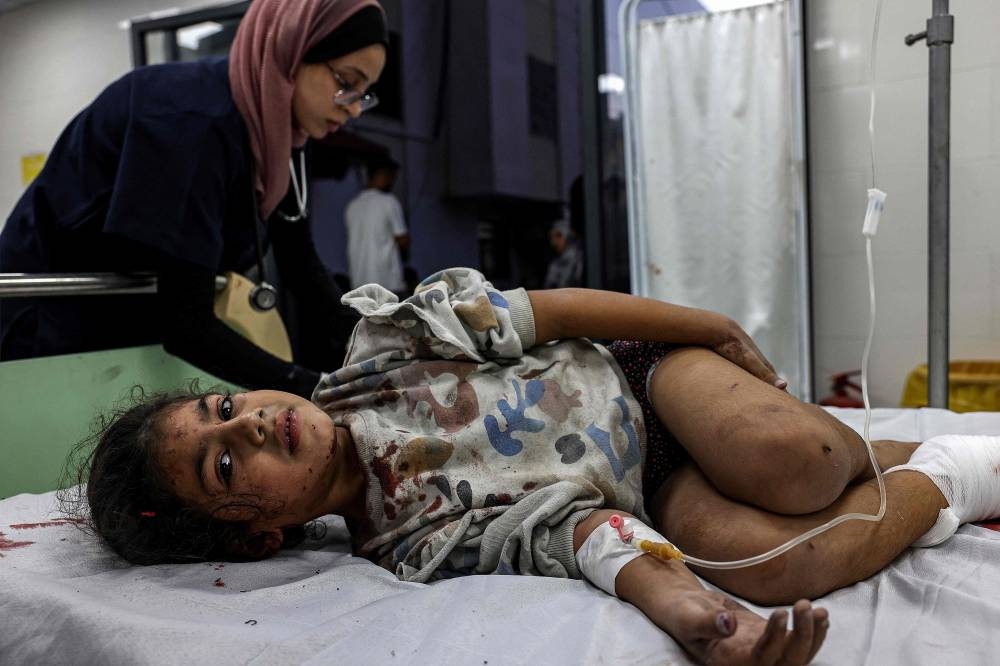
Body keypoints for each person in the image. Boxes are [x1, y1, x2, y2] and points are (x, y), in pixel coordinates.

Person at [71, 267, 1000, 664]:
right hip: (651, 491)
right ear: (262, 534)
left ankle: (862, 452)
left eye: (224, 409)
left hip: (644, 385)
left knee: (792, 461)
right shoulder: (410, 547)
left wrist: (708, 329)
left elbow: (552, 311)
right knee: (776, 564)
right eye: (225, 467)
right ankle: (957, 470)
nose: (255, 427)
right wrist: (699, 617)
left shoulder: (384, 348)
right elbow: (581, 532)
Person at [0, 0, 388, 398]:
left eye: (365, 93)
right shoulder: (188, 121)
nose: (355, 107)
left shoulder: (283, 134)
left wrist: (385, 342)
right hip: (50, 325)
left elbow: (300, 264)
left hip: (136, 324)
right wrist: (319, 390)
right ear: (293, 49)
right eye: (346, 82)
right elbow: (186, 321)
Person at [343, 155, 409, 294]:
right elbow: (403, 240)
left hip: (359, 285)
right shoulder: (389, 201)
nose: (392, 182)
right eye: (391, 177)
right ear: (381, 175)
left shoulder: (352, 206)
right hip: (387, 284)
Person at [543, 219, 583, 289]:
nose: (554, 242)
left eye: (558, 236)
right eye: (551, 237)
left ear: (569, 236)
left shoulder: (578, 259)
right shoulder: (554, 264)